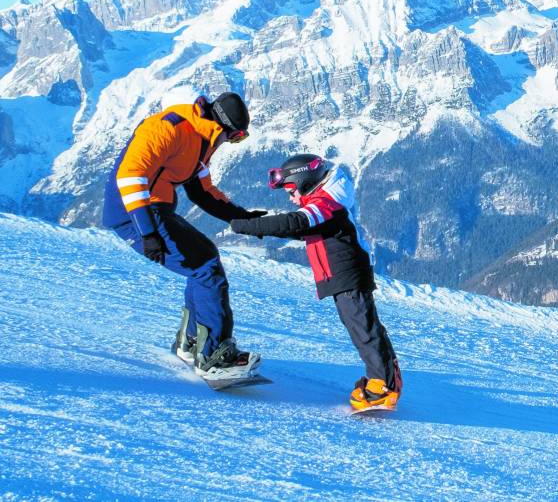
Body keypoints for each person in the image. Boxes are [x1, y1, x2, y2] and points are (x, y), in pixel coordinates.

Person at [102, 92, 265, 380]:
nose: (231, 143)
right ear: (225, 127)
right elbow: (129, 176)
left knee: (205, 259)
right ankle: (213, 355)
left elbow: (201, 190)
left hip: (155, 209)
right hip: (135, 212)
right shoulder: (168, 127)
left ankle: (191, 343)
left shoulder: (202, 138)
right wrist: (148, 233)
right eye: (235, 137)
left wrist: (241, 217)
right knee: (205, 268)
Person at [229, 154, 402, 410]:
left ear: (304, 181)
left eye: (291, 191)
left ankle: (382, 385)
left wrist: (249, 226)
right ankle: (385, 378)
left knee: (362, 327)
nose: (291, 198)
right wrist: (263, 229)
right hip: (343, 273)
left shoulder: (327, 202)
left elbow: (297, 222)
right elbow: (309, 230)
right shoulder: (327, 200)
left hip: (347, 273)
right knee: (361, 325)